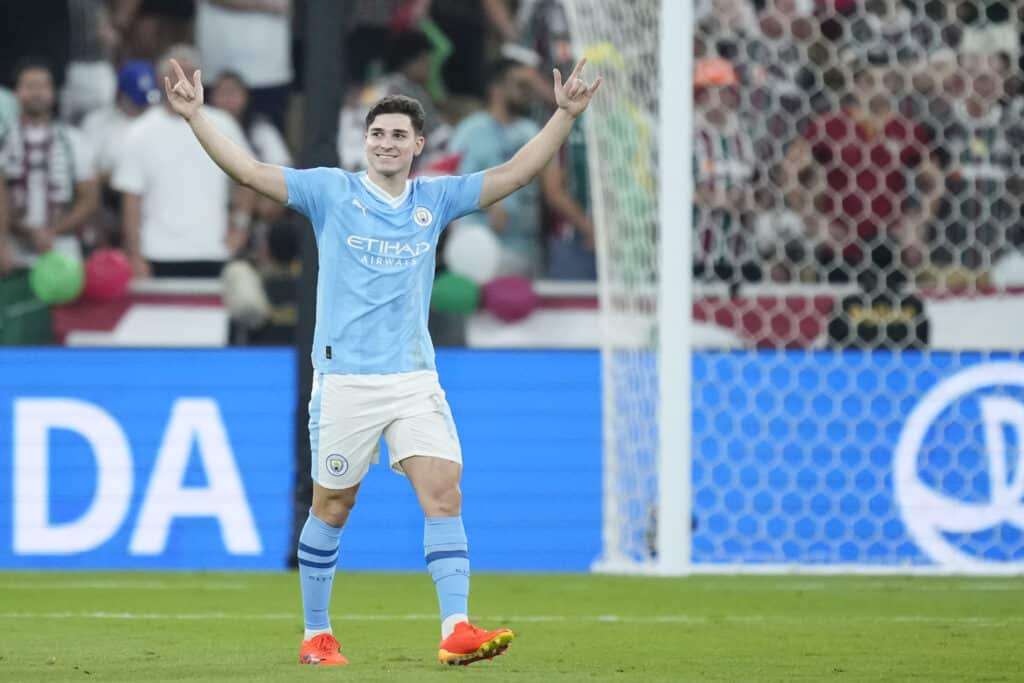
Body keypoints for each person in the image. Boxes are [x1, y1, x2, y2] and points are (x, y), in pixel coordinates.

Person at [161, 49, 600, 665]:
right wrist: (197, 119)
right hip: (344, 382)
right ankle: (316, 633)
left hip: (414, 378)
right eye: (377, 134)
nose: (386, 143)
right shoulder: (330, 192)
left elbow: (515, 174)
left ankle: (457, 628)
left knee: (444, 490)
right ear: (364, 142)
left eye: (398, 135)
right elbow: (250, 172)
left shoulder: (435, 199)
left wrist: (564, 117)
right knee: (333, 506)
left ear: (418, 144)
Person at [112, 46, 252, 278]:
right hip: (156, 252)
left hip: (212, 250)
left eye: (189, 72)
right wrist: (135, 255)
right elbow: (131, 200)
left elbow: (247, 177)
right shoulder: (139, 132)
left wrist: (240, 227)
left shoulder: (224, 124)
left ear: (200, 78)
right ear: (160, 79)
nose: (182, 80)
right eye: (174, 73)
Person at [0, 59, 98, 272]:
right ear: (16, 92)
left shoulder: (75, 141)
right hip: (11, 246)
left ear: (53, 93)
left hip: (61, 245)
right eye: (29, 86)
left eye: (43, 86)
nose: (36, 93)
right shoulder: (3, 140)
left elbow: (89, 199)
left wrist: (51, 231)